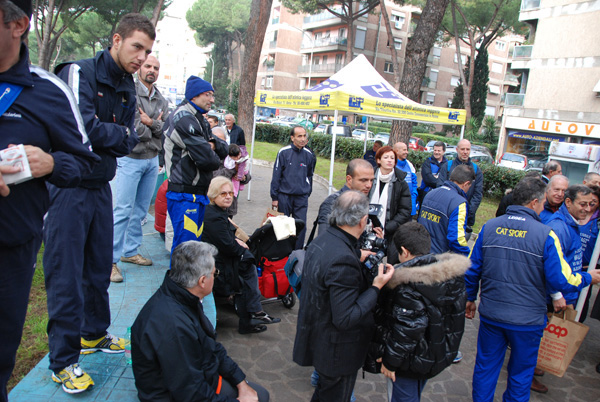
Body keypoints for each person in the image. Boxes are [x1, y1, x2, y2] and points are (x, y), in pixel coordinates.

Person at [42, 13, 155, 394]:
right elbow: (80, 130)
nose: (142, 57)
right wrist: (116, 134)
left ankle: (93, 334)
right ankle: (62, 361)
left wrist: (114, 134)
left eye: (148, 51)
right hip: (68, 189)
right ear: (116, 39)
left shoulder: (126, 85)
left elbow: (130, 140)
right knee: (66, 275)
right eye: (137, 47)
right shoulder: (79, 72)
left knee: (97, 268)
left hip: (100, 188)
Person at [0, 1, 100, 399]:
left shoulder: (49, 91)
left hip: (10, 252)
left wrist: (51, 163)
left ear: (19, 25)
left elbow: (84, 161)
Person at [465, 177, 600, 402]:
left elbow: (471, 269)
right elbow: (561, 279)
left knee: (485, 367)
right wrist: (588, 277)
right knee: (521, 373)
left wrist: (470, 298)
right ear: (535, 202)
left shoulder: (489, 227)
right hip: (527, 322)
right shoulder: (545, 234)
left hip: (492, 314)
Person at [131, 241, 270, 402]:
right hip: (173, 394)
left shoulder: (182, 295)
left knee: (258, 394)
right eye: (215, 273)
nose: (215, 277)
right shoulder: (174, 326)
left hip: (199, 377)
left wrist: (241, 382)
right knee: (261, 397)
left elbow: (211, 346)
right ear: (202, 281)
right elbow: (191, 394)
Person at [293, 191, 395, 402]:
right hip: (338, 352)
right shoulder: (343, 259)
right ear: (361, 221)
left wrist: (357, 256)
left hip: (319, 339)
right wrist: (376, 287)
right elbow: (346, 317)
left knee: (323, 392)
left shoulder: (323, 240)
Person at [365, 222, 470, 402]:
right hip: (431, 354)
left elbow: (408, 328)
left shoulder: (407, 285)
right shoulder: (448, 276)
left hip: (409, 362)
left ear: (404, 251)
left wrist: (390, 362)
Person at [111, 54, 168, 282]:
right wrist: (151, 127)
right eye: (147, 66)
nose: (151, 70)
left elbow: (163, 130)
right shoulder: (129, 93)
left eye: (155, 67)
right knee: (122, 210)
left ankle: (130, 252)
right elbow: (133, 129)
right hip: (130, 158)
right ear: (140, 69)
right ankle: (110, 261)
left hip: (152, 159)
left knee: (140, 211)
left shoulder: (161, 98)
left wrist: (150, 122)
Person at [201, 176, 280, 333]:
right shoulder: (214, 217)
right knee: (248, 265)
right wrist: (243, 249)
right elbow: (227, 245)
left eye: (230, 192)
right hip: (218, 265)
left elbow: (227, 240)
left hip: (221, 258)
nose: (229, 196)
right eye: (223, 194)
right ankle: (253, 314)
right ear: (213, 195)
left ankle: (250, 318)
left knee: (247, 266)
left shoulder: (217, 212)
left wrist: (238, 242)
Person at [270, 126, 317, 249]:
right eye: (299, 136)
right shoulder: (283, 152)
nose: (302, 139)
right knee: (282, 226)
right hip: (284, 196)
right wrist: (274, 197)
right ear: (292, 138)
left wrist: (307, 192)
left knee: (300, 226)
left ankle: (297, 253)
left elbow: (309, 175)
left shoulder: (309, 155)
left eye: (304, 136)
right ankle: (281, 252)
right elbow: (276, 175)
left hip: (301, 197)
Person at [368, 145, 412, 265]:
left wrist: (386, 228)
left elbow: (405, 210)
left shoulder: (401, 183)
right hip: (367, 228)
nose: (389, 160)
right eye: (386, 157)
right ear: (378, 160)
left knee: (388, 265)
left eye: (392, 158)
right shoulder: (369, 178)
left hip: (391, 232)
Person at [418, 164, 473, 256]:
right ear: (466, 184)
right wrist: (467, 257)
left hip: (420, 252)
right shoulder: (459, 203)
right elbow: (456, 238)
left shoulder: (430, 193)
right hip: (439, 258)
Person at [316, 158, 375, 235]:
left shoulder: (364, 200)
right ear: (349, 179)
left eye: (372, 180)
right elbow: (324, 239)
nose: (369, 185)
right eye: (363, 180)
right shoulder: (332, 203)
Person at [439, 139, 483, 239]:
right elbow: (440, 187)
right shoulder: (447, 167)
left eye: (468, 149)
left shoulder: (476, 170)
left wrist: (468, 212)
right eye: (462, 149)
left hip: (465, 218)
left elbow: (478, 194)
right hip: (446, 215)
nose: (465, 152)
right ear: (457, 149)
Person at [393, 142, 418, 217]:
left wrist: (414, 195)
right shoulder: (392, 164)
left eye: (406, 150)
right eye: (404, 150)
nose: (406, 152)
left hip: (410, 201)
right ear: (397, 151)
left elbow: (414, 182)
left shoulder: (409, 164)